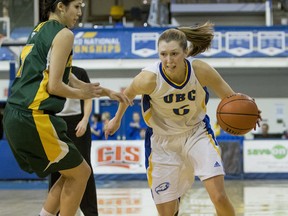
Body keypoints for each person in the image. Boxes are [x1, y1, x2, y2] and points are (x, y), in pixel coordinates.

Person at [105, 22, 260, 216]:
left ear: (185, 52)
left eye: (174, 53)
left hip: (197, 133)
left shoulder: (201, 70)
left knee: (219, 197)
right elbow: (126, 96)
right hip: (162, 142)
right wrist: (116, 120)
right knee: (168, 213)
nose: (168, 60)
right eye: (163, 54)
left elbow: (230, 98)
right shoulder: (148, 78)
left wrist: (249, 111)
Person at [2, 1, 130, 216]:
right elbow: (55, 85)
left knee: (70, 172)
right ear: (61, 6)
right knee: (81, 173)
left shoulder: (40, 29)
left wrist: (105, 92)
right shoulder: (64, 34)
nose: (80, 13)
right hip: (32, 116)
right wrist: (82, 95)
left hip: (16, 114)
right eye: (77, 7)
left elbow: (65, 76)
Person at [49, 66, 98, 216]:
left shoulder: (80, 72)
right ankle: (55, 211)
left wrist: (85, 120)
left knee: (85, 168)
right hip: (55, 123)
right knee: (57, 169)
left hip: (77, 123)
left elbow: (88, 97)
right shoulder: (48, 72)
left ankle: (91, 212)